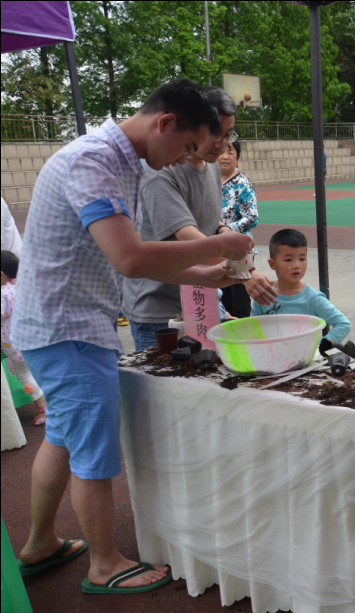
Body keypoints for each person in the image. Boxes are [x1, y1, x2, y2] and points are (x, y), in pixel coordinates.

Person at [11, 79, 254, 595]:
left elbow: (132, 257)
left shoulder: (120, 162)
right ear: (166, 123)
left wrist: (205, 276)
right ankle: (104, 564)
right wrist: (219, 246)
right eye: (189, 146)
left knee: (64, 437)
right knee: (94, 449)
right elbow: (131, 257)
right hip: (69, 328)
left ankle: (40, 543)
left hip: (63, 324)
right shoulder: (95, 161)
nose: (186, 159)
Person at [123, 86, 277, 350]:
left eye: (228, 135)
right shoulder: (161, 170)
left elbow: (210, 222)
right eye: (215, 133)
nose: (222, 144)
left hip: (202, 298)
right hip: (161, 311)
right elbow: (188, 236)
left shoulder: (212, 167)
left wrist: (224, 230)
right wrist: (246, 272)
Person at [251, 229, 351, 344]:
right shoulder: (263, 294)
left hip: (303, 355)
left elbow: (343, 324)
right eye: (288, 260)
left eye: (302, 259)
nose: (296, 265)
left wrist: (317, 347)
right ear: (272, 264)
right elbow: (253, 329)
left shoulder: (313, 298)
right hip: (271, 353)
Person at [1, 251, 46, 425]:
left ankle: (43, 409)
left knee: (24, 376)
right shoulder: (12, 289)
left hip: (14, 344)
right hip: (25, 337)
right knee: (33, 372)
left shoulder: (2, 294)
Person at [218, 139, 258, 318]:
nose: (225, 156)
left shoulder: (243, 183)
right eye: (221, 152)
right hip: (216, 250)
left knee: (239, 299)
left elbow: (252, 217)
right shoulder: (210, 181)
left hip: (239, 251)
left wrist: (227, 229)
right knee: (222, 298)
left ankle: (244, 331)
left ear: (238, 157)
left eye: (230, 152)